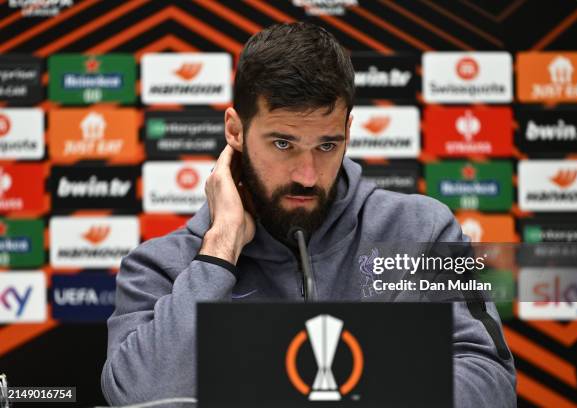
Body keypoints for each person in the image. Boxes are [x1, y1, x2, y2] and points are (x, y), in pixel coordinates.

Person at [101, 22, 516, 407]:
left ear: (349, 132)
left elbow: (490, 377)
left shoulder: (421, 231)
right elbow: (139, 395)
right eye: (283, 144)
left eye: (327, 146)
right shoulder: (160, 266)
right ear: (235, 130)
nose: (306, 175)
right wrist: (220, 250)